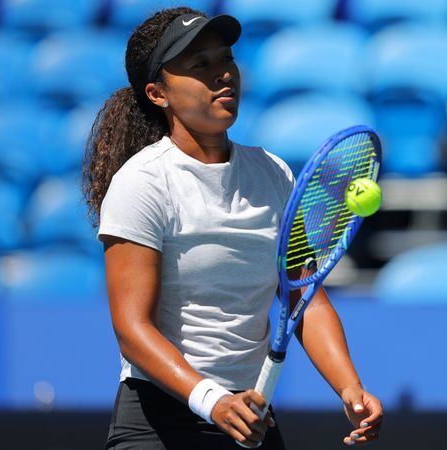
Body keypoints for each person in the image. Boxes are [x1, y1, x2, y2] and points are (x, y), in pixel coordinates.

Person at [83, 6, 383, 449]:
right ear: (158, 93)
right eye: (200, 65)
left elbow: (305, 298)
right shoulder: (142, 183)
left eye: (225, 59)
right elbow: (132, 329)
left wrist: (349, 387)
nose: (223, 74)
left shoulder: (273, 174)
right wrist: (212, 400)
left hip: (249, 415)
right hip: (161, 422)